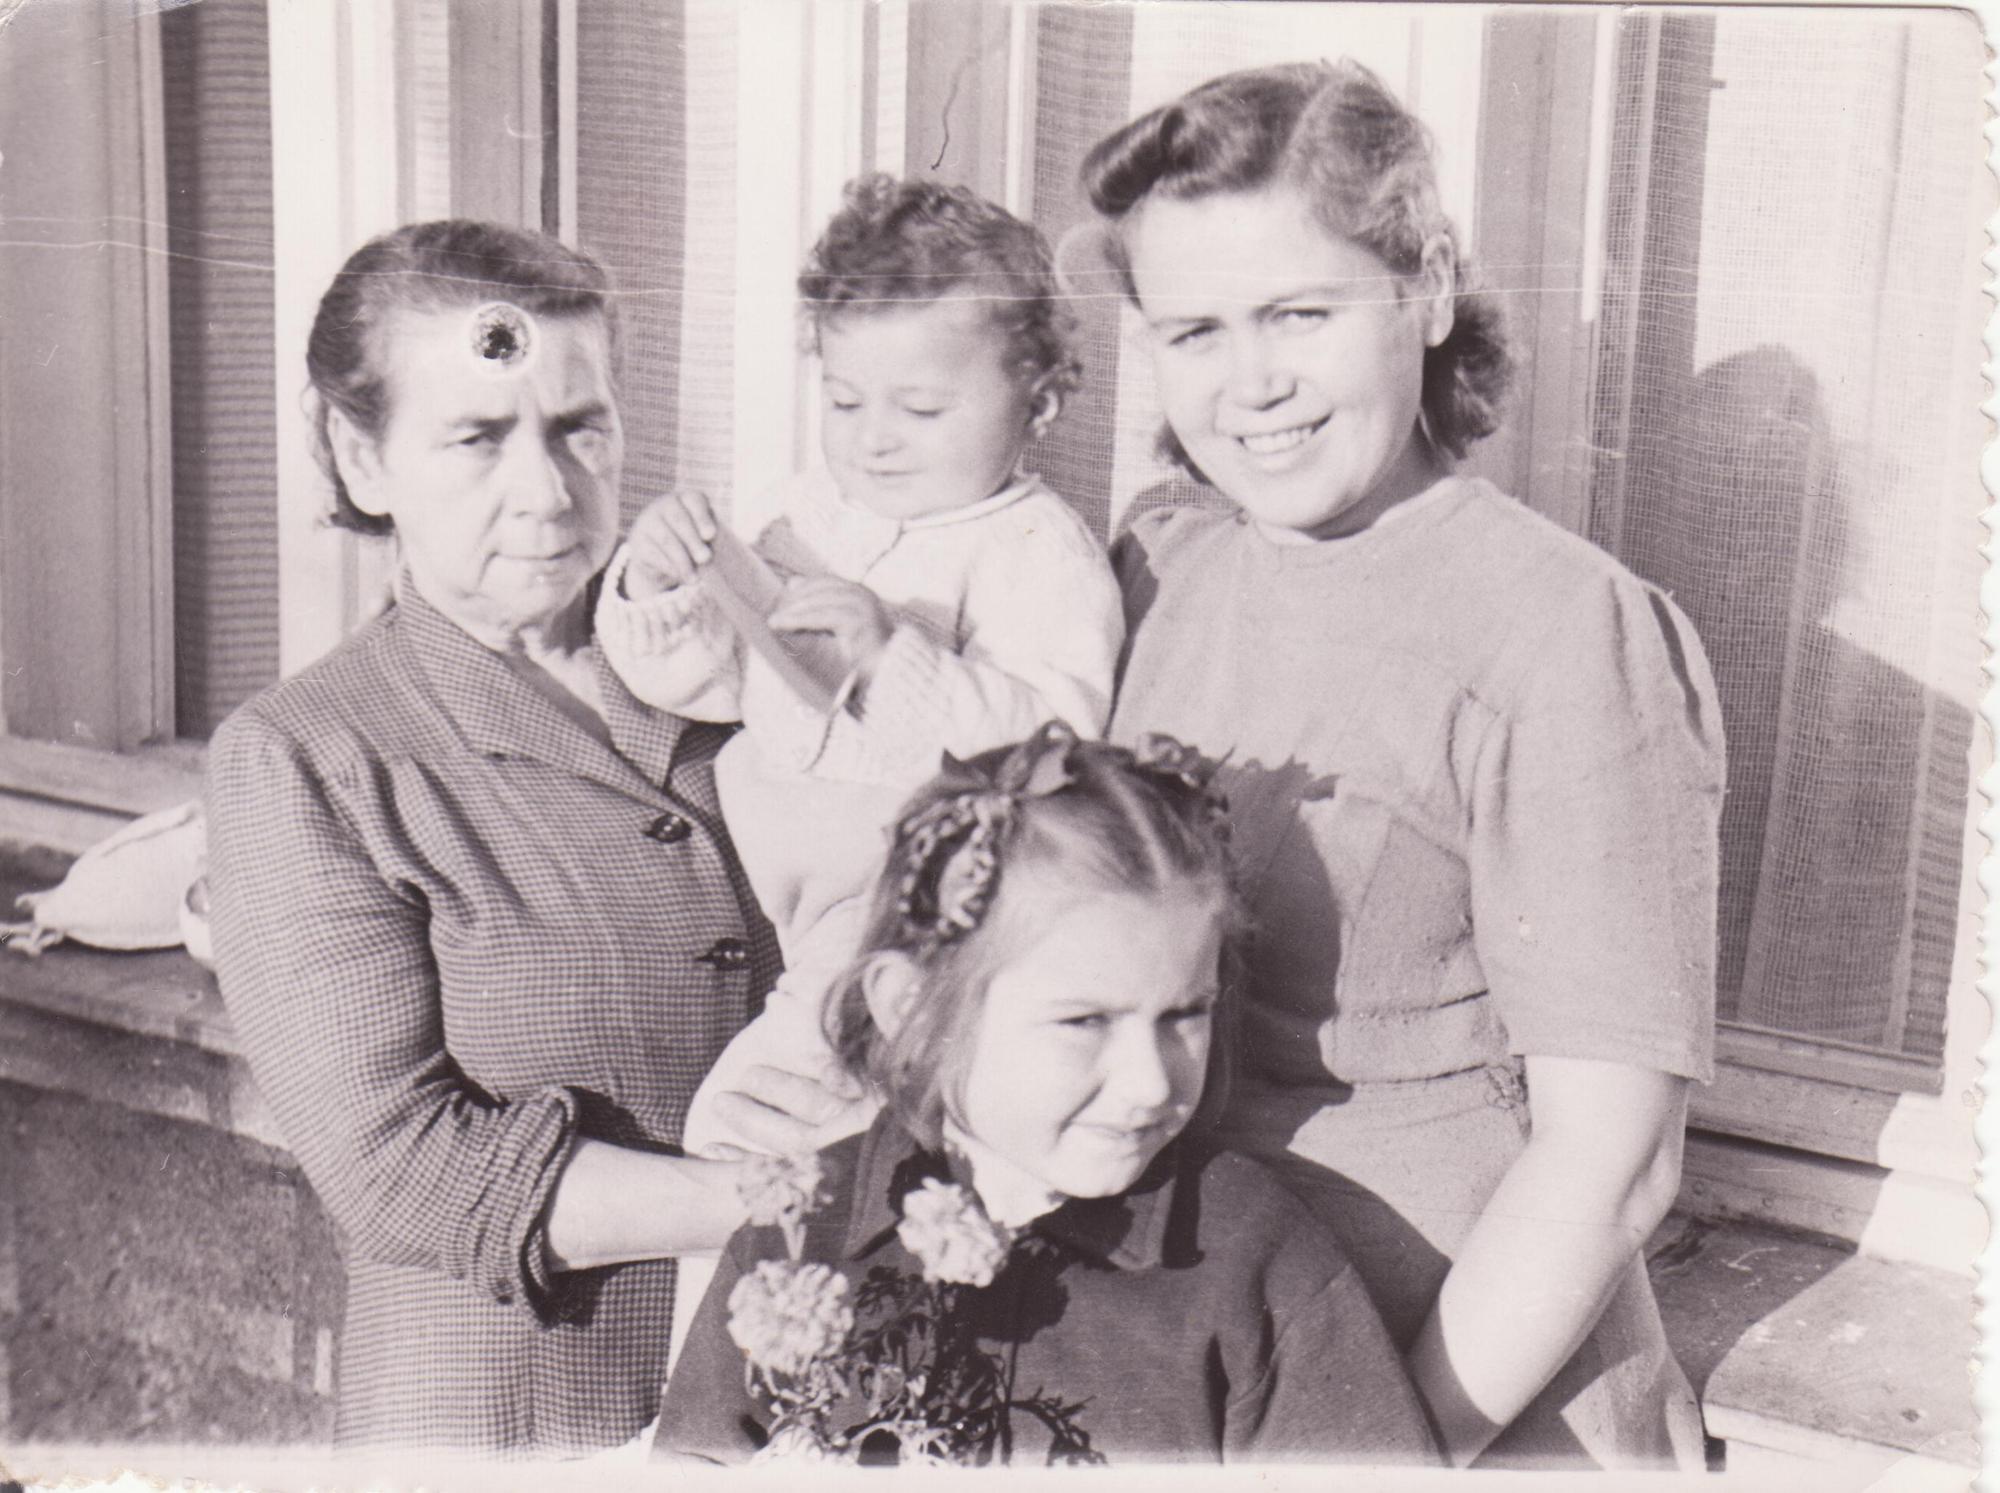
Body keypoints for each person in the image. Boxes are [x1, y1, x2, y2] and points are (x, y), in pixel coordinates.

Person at [1083, 62, 1726, 1469]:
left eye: (1299, 314)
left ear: (1426, 289)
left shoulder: (1568, 628)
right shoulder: (1161, 562)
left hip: (1445, 1386)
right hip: (1186, 1355)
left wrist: (1369, 1446)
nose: (1250, 383)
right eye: (1194, 331)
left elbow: (1613, 1161)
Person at [206, 220, 784, 1456]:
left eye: (580, 427)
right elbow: (402, 1166)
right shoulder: (309, 755)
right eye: (477, 437)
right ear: (361, 455)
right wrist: (784, 1202)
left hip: (797, 1410)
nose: (548, 490)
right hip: (516, 1424)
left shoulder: (738, 662)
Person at [657, 724, 1440, 1466]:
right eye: (1084, 1020)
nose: (1150, 1081)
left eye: (1183, 1014)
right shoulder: (796, 1245)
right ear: (909, 1006)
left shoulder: (1251, 1256)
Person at [596, 174, 1124, 1164]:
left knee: (764, 1111)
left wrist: (892, 660)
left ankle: (785, 1231)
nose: (874, 437)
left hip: (921, 905)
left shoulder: (1035, 551)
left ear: (1039, 401)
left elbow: (1057, 753)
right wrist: (661, 587)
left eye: (921, 407)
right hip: (785, 900)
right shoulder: (809, 517)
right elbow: (712, 682)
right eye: (844, 400)